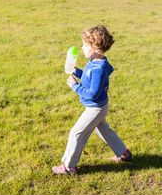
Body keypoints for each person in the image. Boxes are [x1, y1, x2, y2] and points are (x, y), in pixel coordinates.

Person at [52, 25, 132, 175]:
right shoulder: (96, 62)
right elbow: (89, 77)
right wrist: (76, 71)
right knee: (103, 129)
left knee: (77, 133)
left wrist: (74, 86)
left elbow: (92, 93)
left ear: (95, 47)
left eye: (85, 45)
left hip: (95, 108)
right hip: (100, 106)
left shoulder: (98, 68)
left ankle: (68, 167)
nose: (82, 48)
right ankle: (123, 152)